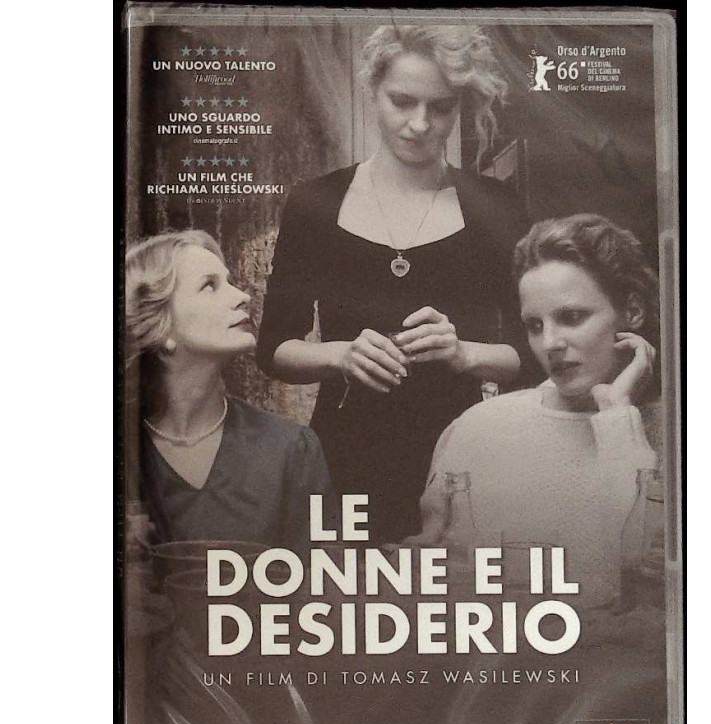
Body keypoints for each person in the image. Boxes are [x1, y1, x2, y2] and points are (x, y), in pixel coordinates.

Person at [257, 25, 534, 544]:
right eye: (402, 102)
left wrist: (465, 353)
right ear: (372, 90)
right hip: (342, 459)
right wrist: (339, 355)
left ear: (460, 106)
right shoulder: (314, 203)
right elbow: (273, 349)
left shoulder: (497, 207)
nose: (420, 124)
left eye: (441, 108)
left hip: (461, 461)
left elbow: (533, 356)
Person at [416, 214, 661, 608]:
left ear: (631, 311)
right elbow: (444, 573)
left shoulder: (670, 435)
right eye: (534, 325)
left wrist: (616, 417)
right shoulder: (480, 429)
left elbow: (628, 575)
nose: (549, 343)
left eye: (572, 317)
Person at [125, 230, 336, 547]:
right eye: (209, 285)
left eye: (229, 281)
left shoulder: (292, 450)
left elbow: (325, 572)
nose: (243, 296)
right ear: (159, 323)